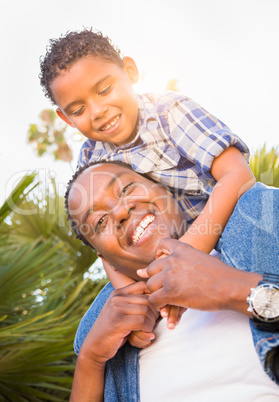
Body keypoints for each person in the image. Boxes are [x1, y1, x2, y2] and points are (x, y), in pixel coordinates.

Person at [39, 29, 256, 301]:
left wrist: (186, 255)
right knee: (97, 321)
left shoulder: (168, 111)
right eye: (78, 110)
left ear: (129, 72)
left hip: (225, 225)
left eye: (104, 90)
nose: (97, 111)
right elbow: (104, 246)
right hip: (160, 257)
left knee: (257, 203)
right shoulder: (90, 159)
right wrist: (132, 295)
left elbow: (237, 175)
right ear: (66, 118)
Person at [65, 161, 279, 401]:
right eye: (100, 222)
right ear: (107, 261)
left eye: (125, 189)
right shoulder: (110, 340)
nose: (120, 212)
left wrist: (228, 287)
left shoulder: (262, 222)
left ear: (164, 188)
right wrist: (90, 360)